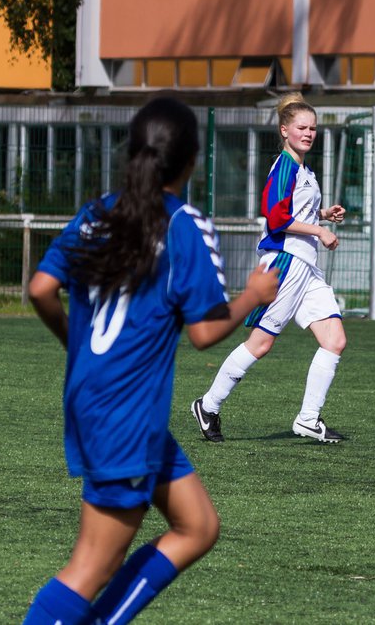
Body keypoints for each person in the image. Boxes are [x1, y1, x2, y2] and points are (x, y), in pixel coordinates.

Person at [22, 97, 281, 625]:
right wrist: (255, 293)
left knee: (198, 526)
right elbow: (207, 331)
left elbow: (40, 288)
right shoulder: (184, 224)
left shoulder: (96, 213)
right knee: (92, 565)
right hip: (128, 411)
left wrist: (77, 344)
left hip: (95, 398)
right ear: (191, 161)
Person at [192, 92, 349, 443]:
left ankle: (308, 419)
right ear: (284, 131)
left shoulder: (304, 170)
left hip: (306, 265)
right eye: (301, 128)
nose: (308, 133)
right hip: (285, 262)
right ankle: (209, 405)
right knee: (260, 344)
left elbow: (295, 211)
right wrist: (320, 230)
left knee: (334, 340)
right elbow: (276, 219)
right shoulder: (285, 167)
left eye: (312, 128)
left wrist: (323, 214)